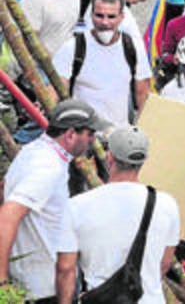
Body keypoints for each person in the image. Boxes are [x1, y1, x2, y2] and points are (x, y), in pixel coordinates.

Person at [0, 99, 107, 303]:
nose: (93, 140)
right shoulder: (48, 168)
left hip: (31, 279)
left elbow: (4, 189)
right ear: (70, 135)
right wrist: (2, 281)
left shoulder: (32, 151)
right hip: (43, 287)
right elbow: (8, 214)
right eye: (89, 134)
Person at [67, 125, 180, 304]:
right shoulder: (167, 204)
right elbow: (165, 263)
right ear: (145, 159)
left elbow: (66, 268)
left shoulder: (77, 206)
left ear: (109, 157)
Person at [54, 0, 153, 127]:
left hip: (118, 135)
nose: (105, 22)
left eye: (111, 17)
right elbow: (56, 90)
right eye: (99, 16)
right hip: (82, 135)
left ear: (121, 17)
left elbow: (142, 94)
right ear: (91, 15)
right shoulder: (73, 48)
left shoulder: (133, 48)